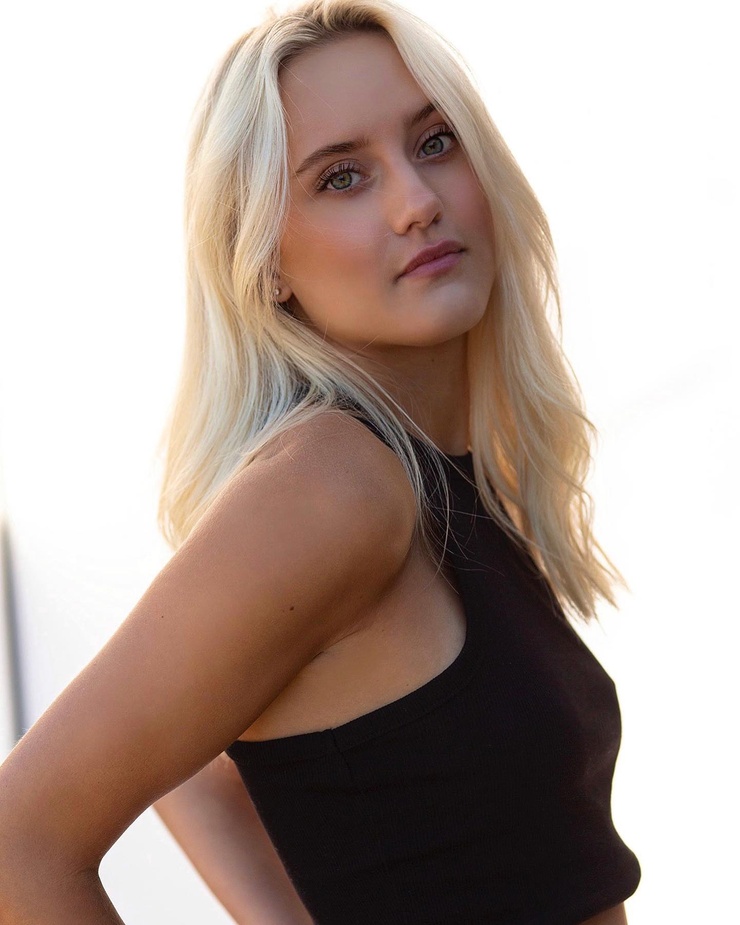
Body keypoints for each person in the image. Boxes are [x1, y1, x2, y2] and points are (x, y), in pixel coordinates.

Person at [0, 0, 641, 922]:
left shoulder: (435, 476)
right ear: (264, 260)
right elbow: (22, 836)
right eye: (343, 177)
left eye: (435, 142)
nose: (416, 202)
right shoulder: (335, 483)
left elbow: (198, 772)